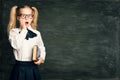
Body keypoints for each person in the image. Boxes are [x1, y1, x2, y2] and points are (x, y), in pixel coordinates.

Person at [7, 5, 46, 80]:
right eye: (23, 16)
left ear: (32, 17)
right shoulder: (13, 32)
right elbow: (16, 46)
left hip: (33, 67)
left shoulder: (37, 33)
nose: (27, 18)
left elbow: (41, 47)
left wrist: (41, 58)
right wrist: (24, 29)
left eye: (29, 16)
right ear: (18, 17)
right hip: (20, 67)